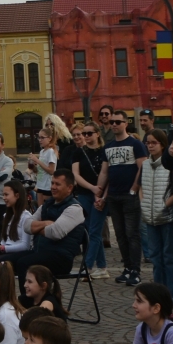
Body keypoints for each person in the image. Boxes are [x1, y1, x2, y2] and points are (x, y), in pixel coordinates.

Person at [101, 113, 147, 286]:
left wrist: (135, 188)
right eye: (111, 122)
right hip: (113, 195)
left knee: (132, 234)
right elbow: (104, 172)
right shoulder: (108, 146)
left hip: (130, 196)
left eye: (117, 122)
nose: (113, 125)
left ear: (126, 123)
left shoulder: (136, 144)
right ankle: (127, 267)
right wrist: (100, 194)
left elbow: (142, 167)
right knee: (120, 235)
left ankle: (135, 270)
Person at [139, 129, 173, 301]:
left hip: (167, 217)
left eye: (153, 143)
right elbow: (140, 185)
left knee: (170, 258)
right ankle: (157, 294)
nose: (150, 146)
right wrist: (142, 203)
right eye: (148, 143)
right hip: (149, 218)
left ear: (162, 144)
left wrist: (164, 206)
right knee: (156, 258)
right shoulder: (145, 164)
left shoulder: (170, 164)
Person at [21, 170, 87, 278]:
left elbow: (55, 233)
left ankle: (31, 295)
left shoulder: (75, 209)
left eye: (58, 184)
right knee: (4, 261)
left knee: (24, 263)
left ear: (69, 188)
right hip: (41, 252)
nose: (53, 187)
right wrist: (46, 223)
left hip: (61, 258)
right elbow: (27, 226)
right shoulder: (47, 205)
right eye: (52, 183)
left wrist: (36, 227)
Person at [68, 118, 108, 278]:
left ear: (97, 134)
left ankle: (88, 265)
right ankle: (103, 267)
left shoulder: (105, 150)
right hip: (85, 194)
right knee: (91, 230)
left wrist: (101, 194)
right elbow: (75, 174)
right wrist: (91, 187)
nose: (85, 136)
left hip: (101, 196)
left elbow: (108, 175)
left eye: (89, 133)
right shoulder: (79, 151)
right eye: (84, 133)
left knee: (95, 231)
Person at [0, 180, 34, 261]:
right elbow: (5, 241)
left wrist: (2, 247)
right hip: (5, 251)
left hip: (18, 254)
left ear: (17, 195)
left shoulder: (26, 217)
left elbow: (25, 246)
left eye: (6, 195)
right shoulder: (7, 216)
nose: (3, 198)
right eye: (3, 195)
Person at [31, 115, 66, 196]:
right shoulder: (42, 151)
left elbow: (51, 170)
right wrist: (34, 166)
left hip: (49, 185)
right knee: (40, 207)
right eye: (47, 125)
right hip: (40, 184)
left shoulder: (52, 150)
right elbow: (40, 170)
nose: (40, 140)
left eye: (42, 138)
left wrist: (37, 161)